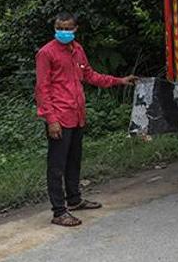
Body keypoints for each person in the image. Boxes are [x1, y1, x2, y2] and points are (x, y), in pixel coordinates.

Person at [35, 12, 138, 227]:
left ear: (75, 29)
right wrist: (51, 119)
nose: (63, 31)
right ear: (55, 28)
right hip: (60, 117)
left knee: (74, 160)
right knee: (57, 165)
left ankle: (74, 200)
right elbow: (42, 89)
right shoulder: (46, 53)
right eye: (59, 28)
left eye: (67, 28)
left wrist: (119, 80)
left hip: (77, 115)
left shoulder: (77, 50)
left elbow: (90, 75)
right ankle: (58, 211)